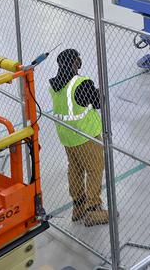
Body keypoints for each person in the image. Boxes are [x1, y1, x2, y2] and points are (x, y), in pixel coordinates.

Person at [49, 49, 109, 226]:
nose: (80, 61)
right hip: (85, 135)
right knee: (94, 169)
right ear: (75, 63)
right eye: (78, 59)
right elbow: (98, 102)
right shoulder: (81, 83)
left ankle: (79, 205)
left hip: (67, 136)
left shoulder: (56, 83)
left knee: (75, 169)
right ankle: (93, 208)